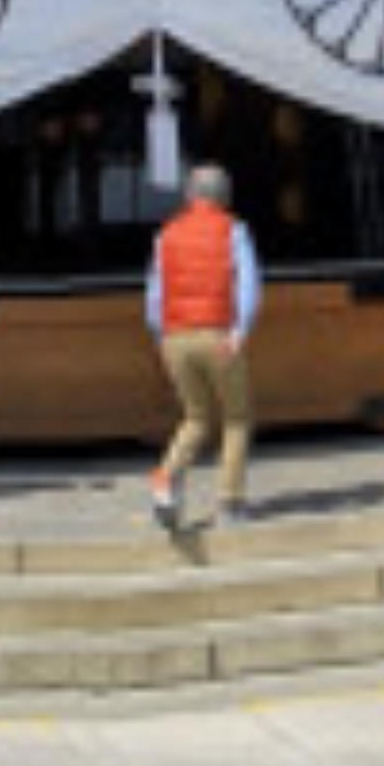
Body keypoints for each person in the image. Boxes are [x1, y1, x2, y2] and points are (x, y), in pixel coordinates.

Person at [145, 162, 261, 531]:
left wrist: (161, 336)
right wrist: (240, 330)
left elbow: (153, 295)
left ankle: (166, 479)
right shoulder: (234, 230)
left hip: (175, 336)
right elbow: (248, 286)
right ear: (224, 196)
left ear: (189, 195)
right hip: (218, 333)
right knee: (236, 417)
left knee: (195, 418)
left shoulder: (165, 235)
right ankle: (230, 502)